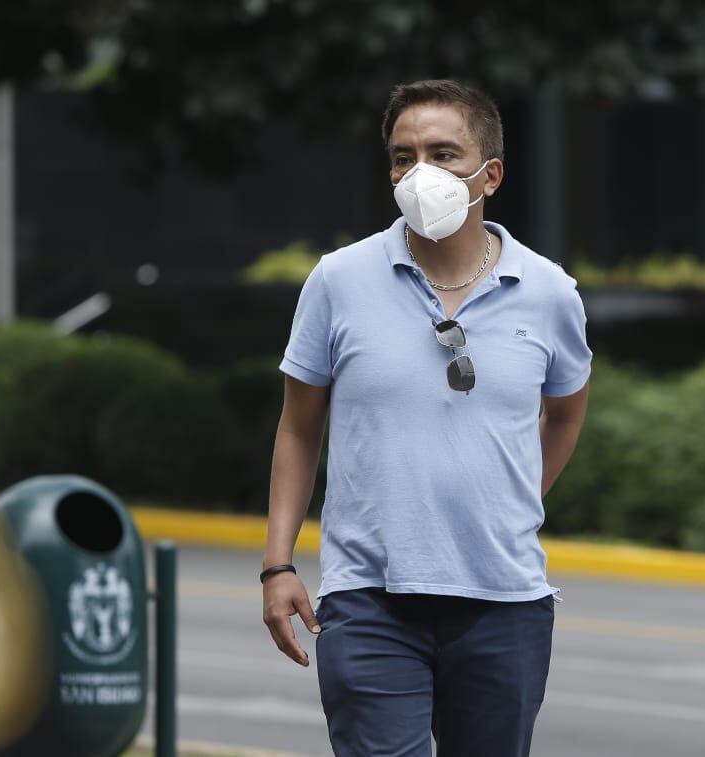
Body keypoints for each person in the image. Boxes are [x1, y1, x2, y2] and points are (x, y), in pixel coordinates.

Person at [261, 79, 591, 757]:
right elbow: (298, 427)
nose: (421, 174)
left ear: (489, 173)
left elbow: (564, 415)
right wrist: (277, 565)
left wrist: (513, 500)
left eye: (444, 154)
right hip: (368, 599)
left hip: (505, 600)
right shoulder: (338, 279)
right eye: (402, 157)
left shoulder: (550, 292)